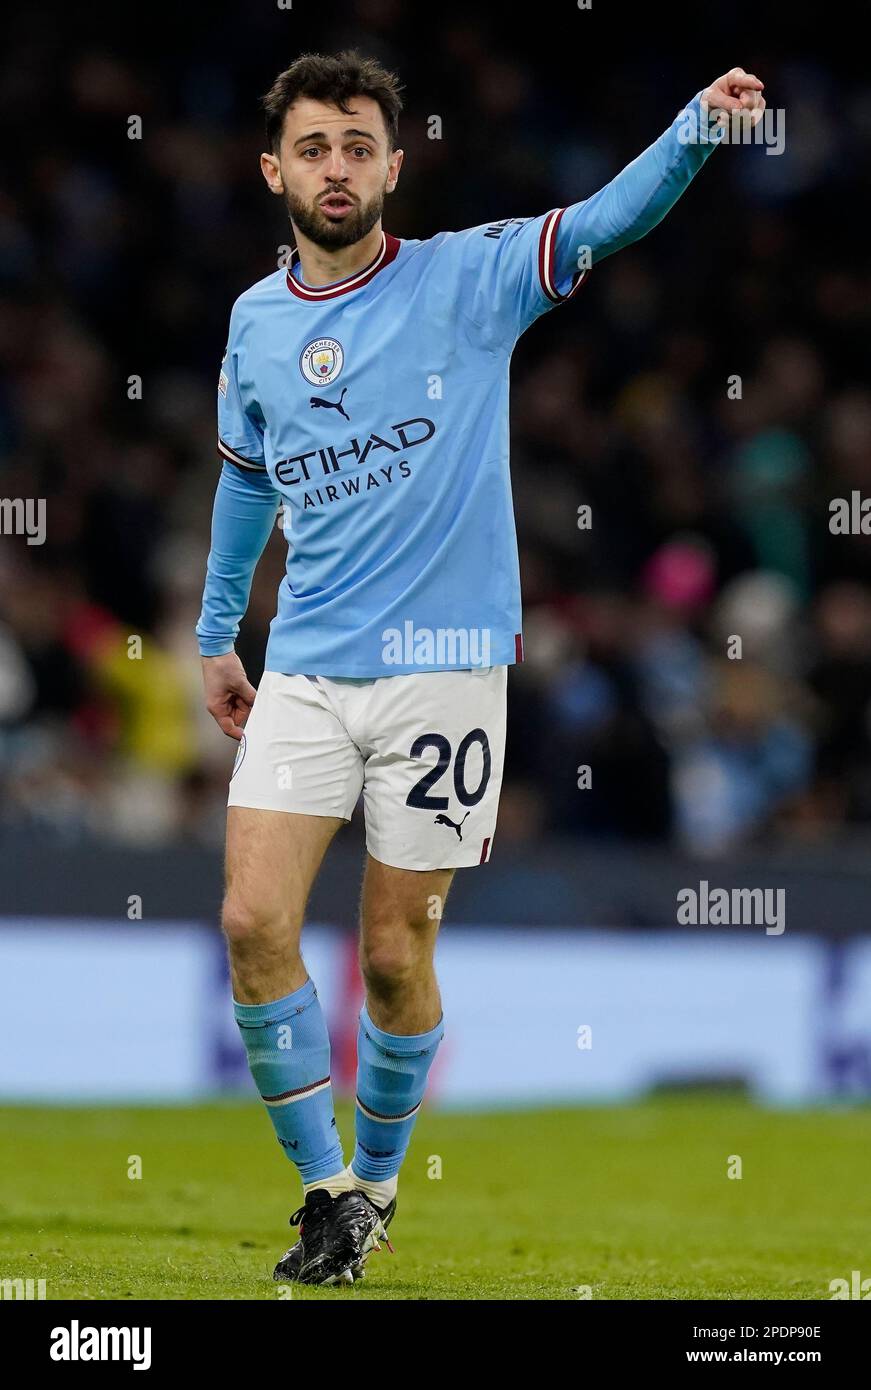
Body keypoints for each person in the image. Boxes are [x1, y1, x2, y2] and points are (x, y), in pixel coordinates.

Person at [195, 48, 765, 1285]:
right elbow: (247, 482)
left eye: (356, 147)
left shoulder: (469, 278)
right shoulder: (251, 321)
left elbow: (611, 219)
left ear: (393, 166)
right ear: (273, 169)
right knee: (250, 921)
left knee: (396, 956)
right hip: (303, 666)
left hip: (447, 671)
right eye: (312, 147)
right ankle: (324, 1191)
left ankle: (380, 1186)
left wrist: (696, 128)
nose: (334, 168)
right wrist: (213, 631)